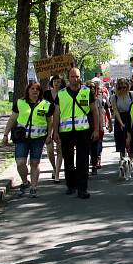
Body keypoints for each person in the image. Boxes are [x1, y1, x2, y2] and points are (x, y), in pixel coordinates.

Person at [1, 82, 55, 197]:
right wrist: (5, 135)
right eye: (32, 89)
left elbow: (50, 122)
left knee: (34, 163)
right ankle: (25, 182)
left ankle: (34, 187)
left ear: (40, 92)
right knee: (20, 163)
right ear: (28, 90)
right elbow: (12, 119)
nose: (35, 91)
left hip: (38, 139)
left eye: (37, 89)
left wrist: (49, 135)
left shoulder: (46, 105)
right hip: (22, 138)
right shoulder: (20, 103)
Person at [53, 67, 99, 199]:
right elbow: (57, 114)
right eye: (73, 77)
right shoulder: (61, 93)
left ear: (80, 77)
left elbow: (94, 111)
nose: (75, 79)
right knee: (68, 160)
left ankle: (82, 189)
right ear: (68, 78)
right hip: (66, 132)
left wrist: (96, 129)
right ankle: (70, 185)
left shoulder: (87, 91)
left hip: (83, 131)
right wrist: (55, 132)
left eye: (77, 77)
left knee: (83, 160)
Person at [110, 78, 133, 165]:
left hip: (130, 117)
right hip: (120, 119)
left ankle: (131, 161)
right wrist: (121, 123)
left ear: (128, 87)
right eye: (120, 87)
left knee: (130, 140)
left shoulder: (132, 94)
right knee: (121, 142)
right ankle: (122, 162)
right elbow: (116, 111)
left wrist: (131, 123)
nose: (123, 89)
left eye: (124, 87)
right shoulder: (114, 97)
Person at [44, 75, 65, 183]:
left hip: (61, 123)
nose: (57, 83)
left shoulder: (64, 93)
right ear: (52, 82)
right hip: (48, 123)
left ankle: (57, 174)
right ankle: (54, 167)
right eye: (55, 81)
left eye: (59, 81)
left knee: (59, 150)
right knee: (50, 150)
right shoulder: (46, 94)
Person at [88, 79, 106, 175]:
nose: (91, 89)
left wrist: (99, 127)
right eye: (89, 87)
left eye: (92, 87)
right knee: (87, 147)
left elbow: (99, 114)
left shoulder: (97, 100)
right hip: (84, 126)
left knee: (95, 146)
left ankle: (94, 164)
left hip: (94, 125)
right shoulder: (81, 98)